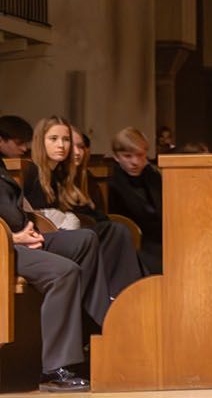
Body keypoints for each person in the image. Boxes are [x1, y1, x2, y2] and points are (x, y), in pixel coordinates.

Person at [22, 116, 143, 302]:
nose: (61, 145)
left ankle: (123, 296)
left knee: (115, 230)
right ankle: (118, 297)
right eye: (53, 139)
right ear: (40, 141)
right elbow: (34, 214)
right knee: (110, 232)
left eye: (66, 139)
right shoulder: (31, 171)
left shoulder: (59, 174)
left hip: (63, 231)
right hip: (43, 236)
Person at [0, 167, 98, 391]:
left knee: (84, 240)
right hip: (3, 246)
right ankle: (56, 368)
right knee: (64, 272)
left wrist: (28, 230)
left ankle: (84, 337)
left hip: (18, 240)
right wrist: (13, 237)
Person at [107, 128, 164, 273]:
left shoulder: (154, 176)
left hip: (161, 236)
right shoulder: (113, 183)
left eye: (140, 155)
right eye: (128, 156)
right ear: (116, 157)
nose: (135, 162)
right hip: (136, 242)